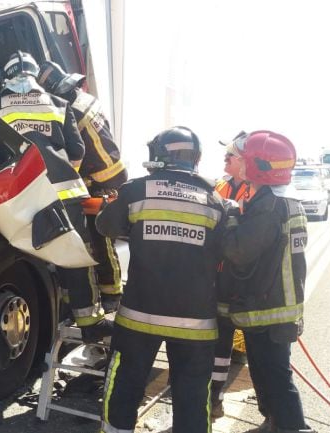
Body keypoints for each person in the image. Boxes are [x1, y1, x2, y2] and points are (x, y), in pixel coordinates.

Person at [96, 126, 225, 433]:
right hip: (196, 322)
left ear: (161, 154)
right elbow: (225, 251)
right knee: (193, 396)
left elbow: (105, 226)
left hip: (140, 315)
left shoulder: (138, 189)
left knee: (125, 385)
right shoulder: (214, 199)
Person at [0, 51, 112, 342]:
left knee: (27, 252)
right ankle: (89, 324)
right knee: (74, 255)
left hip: (21, 196)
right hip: (65, 192)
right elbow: (77, 152)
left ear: (7, 76)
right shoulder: (60, 104)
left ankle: (46, 314)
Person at [220, 131, 313, 433]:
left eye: (241, 157)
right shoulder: (283, 201)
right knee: (265, 371)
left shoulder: (268, 207)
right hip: (277, 305)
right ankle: (274, 422)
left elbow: (239, 252)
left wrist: (231, 215)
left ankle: (292, 427)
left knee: (274, 374)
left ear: (256, 166)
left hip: (269, 309)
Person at [37, 61, 127, 312]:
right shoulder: (86, 99)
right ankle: (112, 292)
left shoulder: (68, 112)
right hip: (114, 172)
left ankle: (111, 294)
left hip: (98, 179)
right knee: (103, 237)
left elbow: (75, 151)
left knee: (98, 239)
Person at [210, 132, 257, 418]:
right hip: (213, 277)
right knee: (218, 339)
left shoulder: (259, 193)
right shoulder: (218, 186)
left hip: (239, 278)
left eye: (232, 155)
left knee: (237, 339)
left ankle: (216, 395)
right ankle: (213, 395)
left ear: (247, 161)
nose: (225, 158)